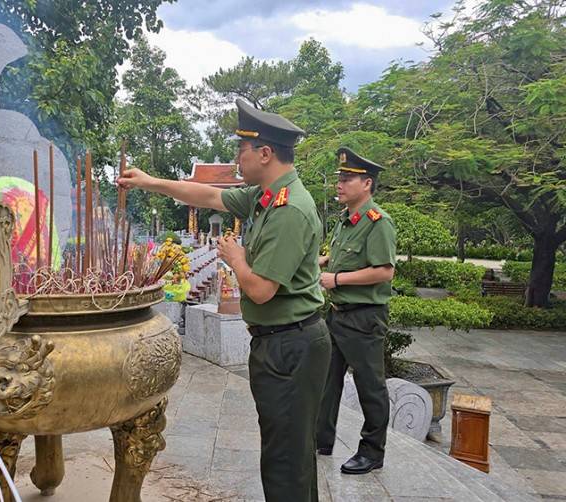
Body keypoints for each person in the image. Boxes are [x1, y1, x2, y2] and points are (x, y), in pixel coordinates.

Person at [117, 99, 330, 502]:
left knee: (287, 457)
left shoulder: (290, 210)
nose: (237, 158)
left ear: (265, 153)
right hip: (281, 342)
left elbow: (261, 289)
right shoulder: (266, 196)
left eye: (242, 150)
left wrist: (236, 258)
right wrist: (150, 182)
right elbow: (208, 196)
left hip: (292, 345)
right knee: (285, 451)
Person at [315, 147, 397, 475]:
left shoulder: (378, 222)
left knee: (370, 386)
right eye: (340, 178)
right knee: (326, 379)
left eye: (347, 179)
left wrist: (335, 278)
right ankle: (320, 439)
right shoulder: (346, 221)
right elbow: (348, 258)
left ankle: (372, 452)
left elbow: (383, 271)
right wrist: (324, 261)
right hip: (337, 313)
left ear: (367, 184)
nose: (340, 184)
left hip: (364, 317)